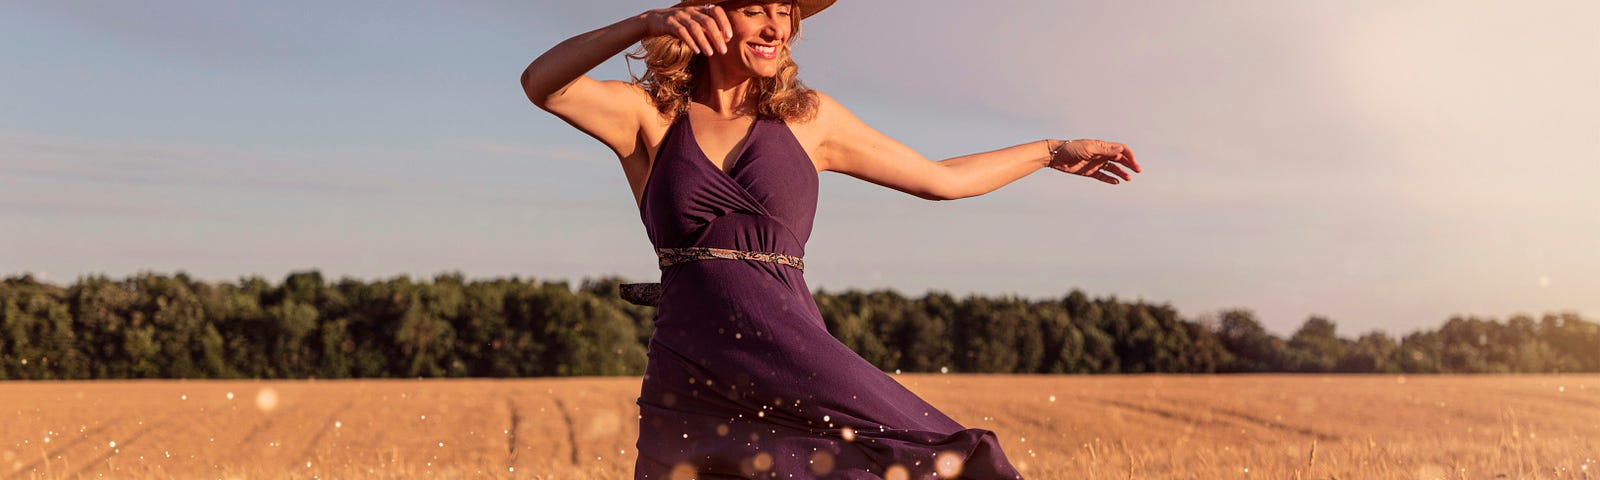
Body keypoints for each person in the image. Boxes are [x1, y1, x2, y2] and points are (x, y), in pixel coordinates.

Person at [520, 1, 1140, 478]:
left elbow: (941, 179)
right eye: (754, 9)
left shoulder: (809, 118)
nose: (775, 27)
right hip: (689, 374)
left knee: (930, 456)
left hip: (795, 357)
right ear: (706, 17)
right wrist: (645, 22)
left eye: (785, 13)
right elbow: (543, 83)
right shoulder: (650, 116)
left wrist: (1051, 150)